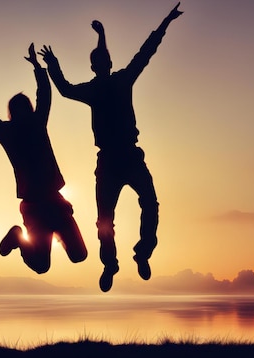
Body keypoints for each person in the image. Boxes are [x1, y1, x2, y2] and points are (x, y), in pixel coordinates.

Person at [40, 3, 183, 291]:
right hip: (116, 160)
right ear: (101, 65)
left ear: (96, 66)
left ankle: (132, 257)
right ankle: (115, 262)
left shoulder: (106, 84)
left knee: (134, 210)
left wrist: (54, 65)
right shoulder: (120, 80)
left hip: (125, 158)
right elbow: (144, 53)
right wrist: (164, 23)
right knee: (116, 216)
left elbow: (67, 86)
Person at [0, 43, 87, 274]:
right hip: (44, 205)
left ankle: (21, 239)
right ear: (28, 109)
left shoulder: (8, 130)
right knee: (72, 258)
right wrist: (37, 66)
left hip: (43, 204)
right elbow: (45, 95)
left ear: (11, 112)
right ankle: (18, 237)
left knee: (58, 261)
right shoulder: (34, 124)